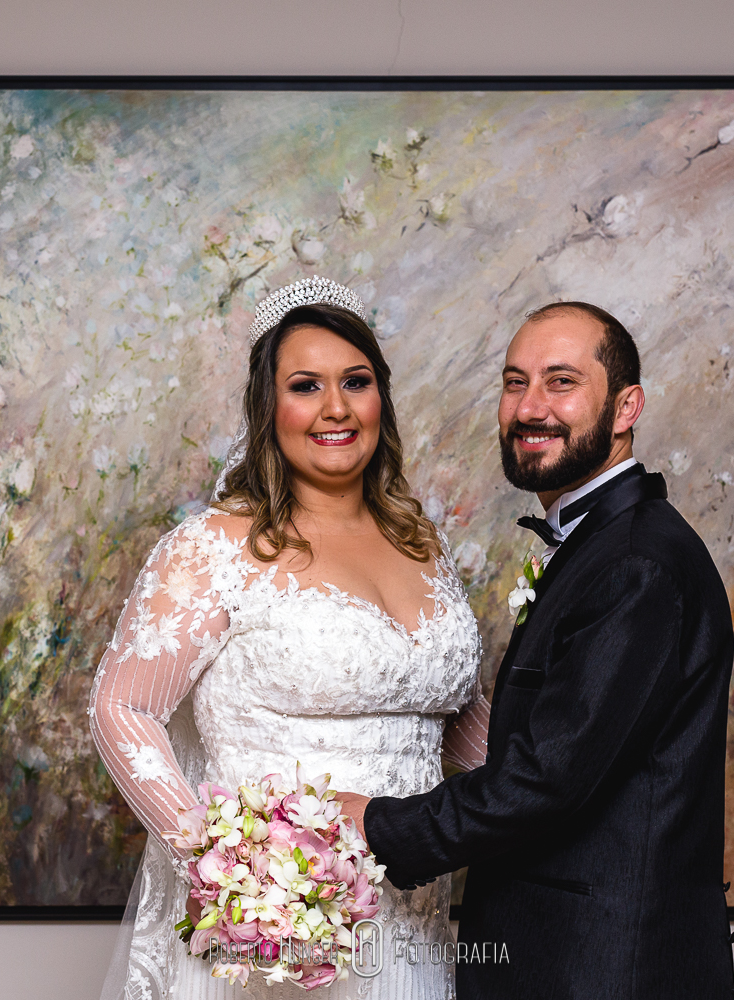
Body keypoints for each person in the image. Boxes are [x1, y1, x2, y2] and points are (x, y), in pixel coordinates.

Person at [88, 276, 490, 999]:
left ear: (381, 397)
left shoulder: (422, 543)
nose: (336, 408)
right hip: (272, 935)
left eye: (356, 382)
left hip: (410, 925)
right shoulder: (215, 548)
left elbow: (449, 713)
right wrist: (225, 871)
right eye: (306, 386)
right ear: (268, 407)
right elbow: (123, 708)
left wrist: (560, 786)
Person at [336, 302, 734, 999]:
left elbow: (545, 780)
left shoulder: (636, 565)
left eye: (561, 382)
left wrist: (375, 825)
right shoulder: (600, 545)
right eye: (515, 382)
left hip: (603, 970)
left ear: (626, 407)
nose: (530, 408)